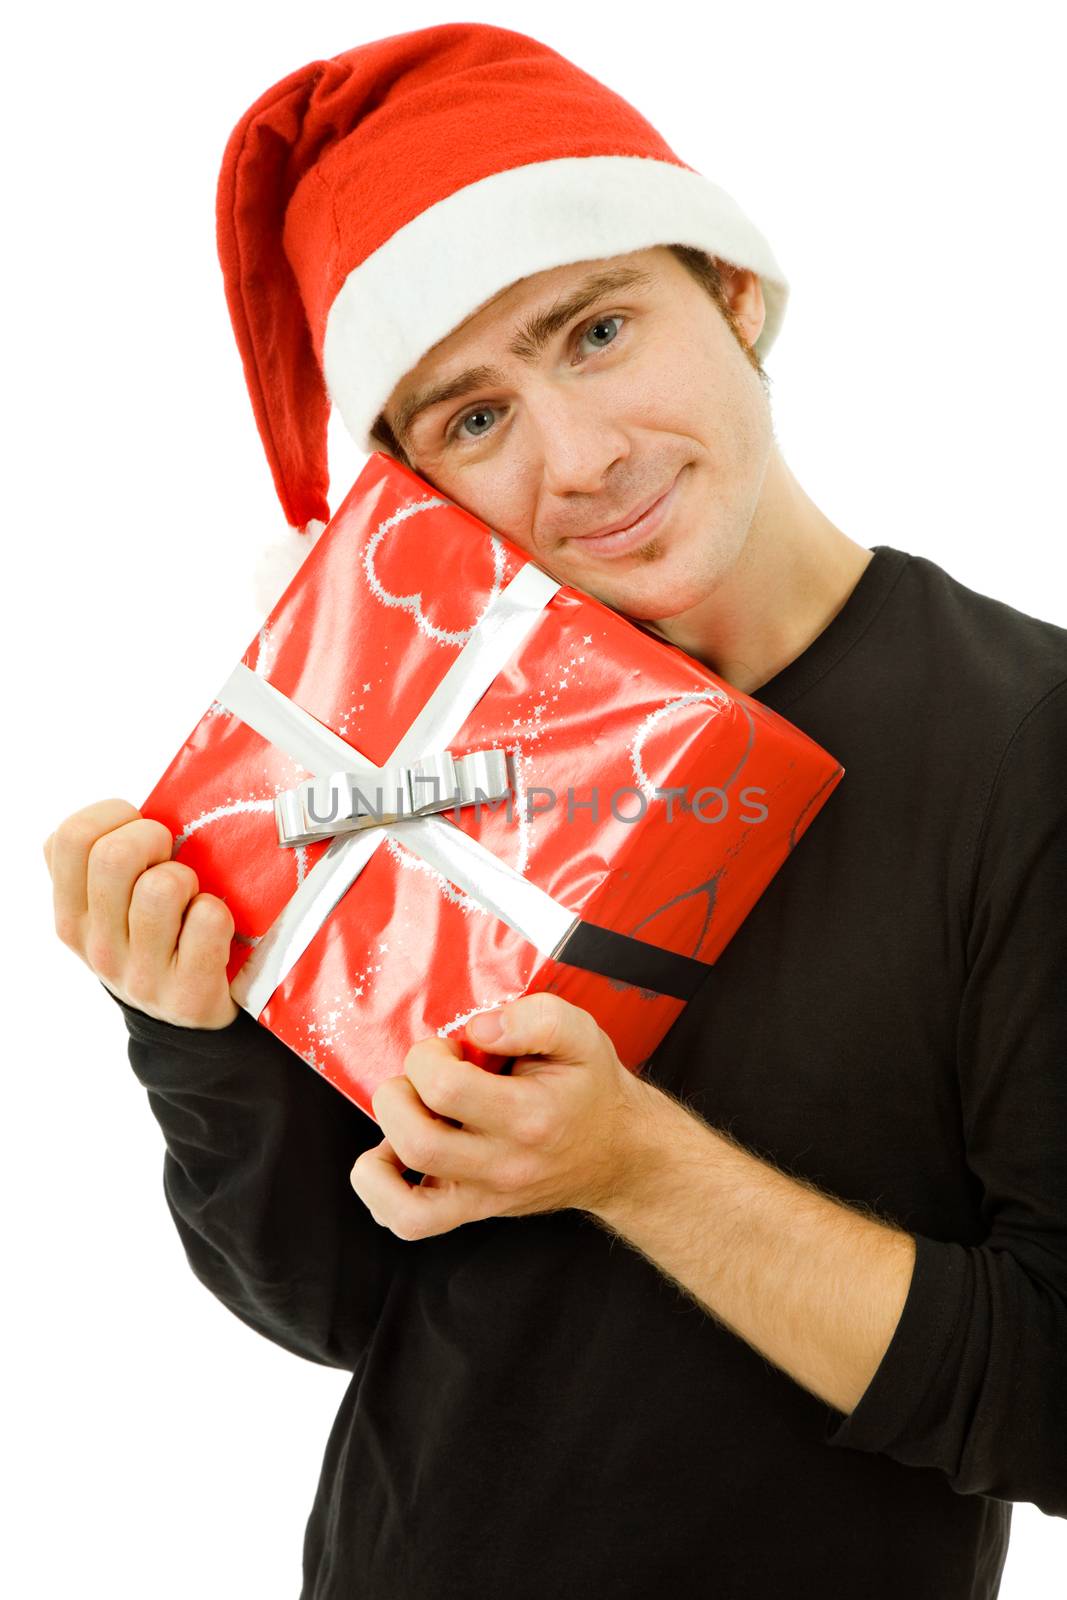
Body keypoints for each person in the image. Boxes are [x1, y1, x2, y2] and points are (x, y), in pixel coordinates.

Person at [42, 23, 1067, 1599]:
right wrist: (192, 1028)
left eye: (593, 329)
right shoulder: (426, 764)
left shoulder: (1029, 743)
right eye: (471, 419)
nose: (579, 460)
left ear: (729, 293)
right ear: (412, 500)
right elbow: (337, 1311)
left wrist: (632, 1165)